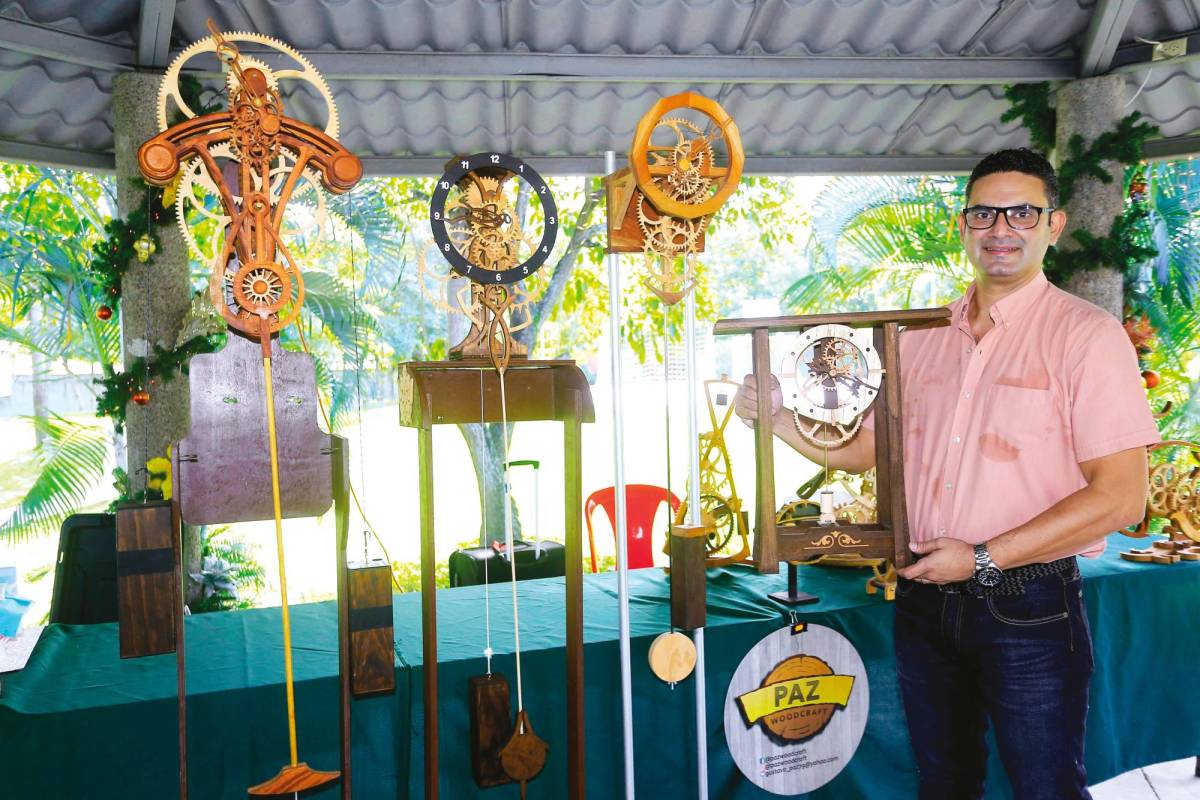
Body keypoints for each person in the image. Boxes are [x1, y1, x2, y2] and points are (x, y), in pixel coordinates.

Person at [734, 148, 1158, 799]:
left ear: (1055, 225)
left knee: (1045, 788)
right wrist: (779, 420)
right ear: (963, 226)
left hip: (1030, 604)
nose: (1001, 229)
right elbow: (870, 448)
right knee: (943, 784)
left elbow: (1122, 496)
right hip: (925, 598)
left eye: (1022, 212)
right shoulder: (920, 336)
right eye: (984, 213)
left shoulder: (1087, 336)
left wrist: (984, 558)